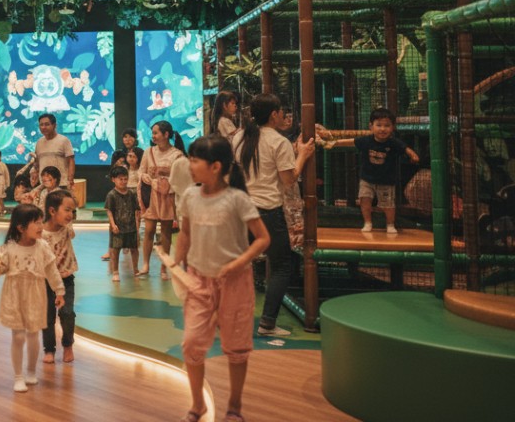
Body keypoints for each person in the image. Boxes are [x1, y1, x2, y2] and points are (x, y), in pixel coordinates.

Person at [172, 136, 271, 422]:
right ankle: (197, 405)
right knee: (191, 343)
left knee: (237, 347)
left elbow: (263, 239)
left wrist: (238, 263)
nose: (189, 165)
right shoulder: (190, 196)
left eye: (194, 160)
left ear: (215, 166)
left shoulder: (237, 199)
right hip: (198, 281)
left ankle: (235, 407)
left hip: (235, 282)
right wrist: (176, 262)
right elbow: (186, 235)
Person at [231, 93, 315, 337]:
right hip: (267, 212)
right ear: (273, 115)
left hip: (240, 210)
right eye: (280, 111)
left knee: (237, 265)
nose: (283, 115)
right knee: (281, 266)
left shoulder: (239, 137)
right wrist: (302, 154)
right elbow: (289, 180)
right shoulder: (278, 142)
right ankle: (267, 323)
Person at [0, 203, 64, 393]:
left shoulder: (42, 247)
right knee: (19, 336)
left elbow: (51, 270)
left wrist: (59, 290)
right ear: (21, 228)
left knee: (33, 335)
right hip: (14, 296)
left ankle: (31, 371)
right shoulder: (8, 248)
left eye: (41, 222)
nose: (40, 226)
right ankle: (18, 376)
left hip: (35, 294)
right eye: (35, 223)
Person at [325, 108, 419, 234]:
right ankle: (368, 222)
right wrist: (334, 143)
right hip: (367, 179)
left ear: (392, 127)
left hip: (386, 180)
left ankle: (390, 224)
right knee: (365, 200)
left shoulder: (393, 143)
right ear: (371, 126)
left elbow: (405, 148)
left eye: (387, 126)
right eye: (378, 125)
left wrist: (413, 155)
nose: (382, 129)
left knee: (388, 204)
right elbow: (351, 142)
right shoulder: (366, 140)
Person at [139, 121, 185, 279]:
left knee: (166, 231)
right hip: (152, 196)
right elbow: (141, 172)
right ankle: (145, 264)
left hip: (168, 196)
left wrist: (166, 172)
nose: (153, 136)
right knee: (149, 230)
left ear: (166, 135)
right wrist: (146, 177)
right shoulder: (148, 152)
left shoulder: (177, 154)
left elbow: (181, 176)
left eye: (156, 133)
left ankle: (164, 268)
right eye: (152, 133)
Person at [41, 189, 78, 364]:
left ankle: (68, 344)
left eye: (72, 210)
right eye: (67, 210)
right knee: (48, 316)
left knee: (67, 313)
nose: (71, 215)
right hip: (45, 281)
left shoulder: (67, 228)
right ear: (52, 211)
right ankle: (49, 349)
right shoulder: (39, 233)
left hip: (66, 278)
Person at [104, 165, 140, 281]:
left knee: (134, 249)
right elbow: (109, 211)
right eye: (120, 179)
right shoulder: (111, 195)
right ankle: (115, 272)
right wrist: (113, 224)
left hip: (131, 227)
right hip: (117, 228)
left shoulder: (132, 194)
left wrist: (137, 226)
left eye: (125, 179)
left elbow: (136, 210)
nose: (123, 181)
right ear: (113, 179)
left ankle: (135, 269)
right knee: (115, 250)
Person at [34, 114, 75, 188]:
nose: (44, 127)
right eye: (41, 125)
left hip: (61, 183)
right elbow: (37, 163)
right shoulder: (39, 142)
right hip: (44, 184)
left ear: (54, 125)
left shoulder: (64, 140)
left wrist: (70, 179)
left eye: (47, 124)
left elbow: (71, 161)